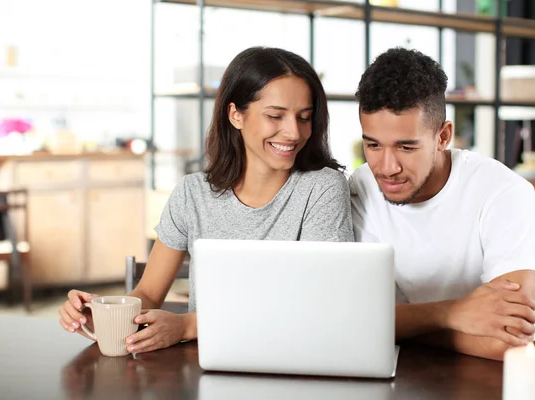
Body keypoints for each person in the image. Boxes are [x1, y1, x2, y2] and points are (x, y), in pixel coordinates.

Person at [58, 47, 354, 353]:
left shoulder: (323, 189)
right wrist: (101, 314)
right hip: (207, 363)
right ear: (236, 115)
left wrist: (189, 325)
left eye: (304, 117)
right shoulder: (192, 194)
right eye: (275, 116)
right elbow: (148, 292)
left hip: (293, 357)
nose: (293, 132)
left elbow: (319, 304)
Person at [349, 47, 535, 361]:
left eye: (406, 146)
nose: (387, 166)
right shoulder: (360, 189)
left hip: (490, 382)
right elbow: (357, 321)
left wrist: (400, 324)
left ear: (443, 136)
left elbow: (509, 342)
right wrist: (454, 313)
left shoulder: (505, 193)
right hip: (401, 377)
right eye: (373, 145)